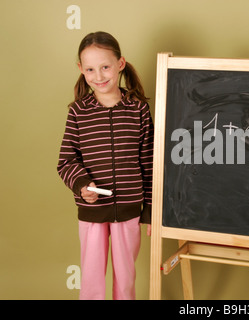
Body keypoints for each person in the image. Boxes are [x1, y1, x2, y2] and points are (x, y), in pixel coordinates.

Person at [57, 31, 154, 300]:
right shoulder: (78, 111)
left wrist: (150, 210)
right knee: (91, 279)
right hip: (92, 209)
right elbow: (66, 160)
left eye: (105, 67)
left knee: (125, 279)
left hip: (130, 209)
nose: (98, 76)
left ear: (120, 64)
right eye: (90, 69)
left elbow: (149, 161)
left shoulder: (138, 110)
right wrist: (80, 185)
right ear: (81, 69)